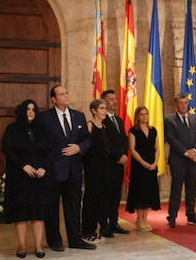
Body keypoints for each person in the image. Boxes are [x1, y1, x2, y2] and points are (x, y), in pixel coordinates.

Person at [35, 84, 95, 251]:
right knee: (52, 206)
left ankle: (76, 240)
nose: (66, 96)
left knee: (74, 206)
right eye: (61, 94)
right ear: (54, 99)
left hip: (74, 170)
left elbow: (88, 139)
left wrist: (79, 148)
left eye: (66, 93)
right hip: (53, 170)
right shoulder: (44, 118)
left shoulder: (79, 116)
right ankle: (55, 241)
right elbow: (39, 143)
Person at [1, 99, 53, 258]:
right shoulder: (12, 129)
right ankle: (22, 246)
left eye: (33, 109)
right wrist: (23, 165)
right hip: (20, 176)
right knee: (21, 213)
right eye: (27, 109)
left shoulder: (43, 129)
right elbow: (8, 150)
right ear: (22, 111)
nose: (31, 112)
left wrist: (44, 167)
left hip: (39, 177)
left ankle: (38, 245)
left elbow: (50, 150)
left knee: (38, 214)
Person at [164, 93, 196, 227]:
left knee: (191, 188)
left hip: (193, 160)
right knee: (176, 189)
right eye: (181, 103)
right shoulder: (169, 119)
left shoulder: (193, 118)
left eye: (185, 103)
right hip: (178, 160)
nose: (183, 105)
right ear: (176, 104)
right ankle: (172, 216)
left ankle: (191, 215)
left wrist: (195, 150)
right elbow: (171, 139)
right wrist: (186, 153)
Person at [80, 99, 113, 242]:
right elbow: (85, 148)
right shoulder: (90, 125)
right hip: (92, 168)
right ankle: (87, 231)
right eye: (101, 108)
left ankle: (98, 229)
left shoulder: (104, 127)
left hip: (104, 168)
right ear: (93, 111)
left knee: (102, 199)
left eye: (105, 108)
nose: (104, 111)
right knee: (91, 199)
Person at [99, 89, 130, 235]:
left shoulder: (118, 119)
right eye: (111, 99)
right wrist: (118, 156)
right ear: (104, 101)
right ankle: (104, 226)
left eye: (115, 99)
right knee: (105, 195)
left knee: (116, 195)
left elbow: (124, 139)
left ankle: (114, 223)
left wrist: (124, 154)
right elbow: (105, 143)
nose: (114, 102)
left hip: (119, 164)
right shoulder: (101, 120)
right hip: (108, 163)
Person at [125, 105, 161, 231]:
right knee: (140, 191)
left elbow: (157, 148)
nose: (144, 116)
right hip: (139, 166)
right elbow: (132, 149)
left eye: (146, 114)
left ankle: (145, 218)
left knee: (149, 191)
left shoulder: (153, 130)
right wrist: (142, 162)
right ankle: (139, 218)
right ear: (137, 116)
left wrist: (155, 162)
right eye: (141, 114)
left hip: (152, 165)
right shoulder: (133, 131)